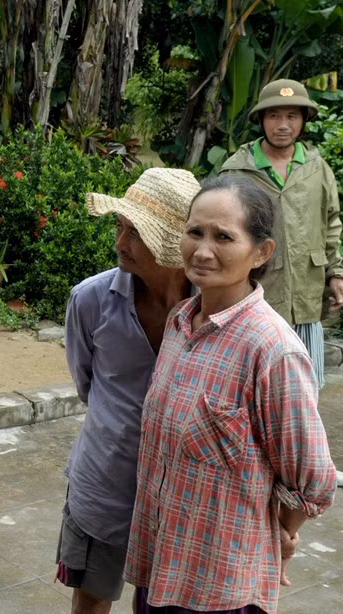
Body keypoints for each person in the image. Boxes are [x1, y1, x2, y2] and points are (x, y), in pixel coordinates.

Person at [124, 176, 337, 614]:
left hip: (221, 588)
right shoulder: (180, 323)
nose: (203, 251)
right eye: (195, 232)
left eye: (223, 237)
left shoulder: (272, 350)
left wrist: (282, 530)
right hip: (161, 568)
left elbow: (314, 480)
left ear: (261, 252)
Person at [56, 168, 198, 614]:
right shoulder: (90, 299)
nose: (120, 243)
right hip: (104, 483)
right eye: (120, 226)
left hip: (183, 494)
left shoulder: (211, 312)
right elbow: (86, 383)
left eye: (136, 233)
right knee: (91, 597)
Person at [220, 78, 343, 388]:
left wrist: (336, 273)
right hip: (255, 294)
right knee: (258, 384)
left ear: (303, 121)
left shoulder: (317, 167)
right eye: (274, 115)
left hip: (305, 294)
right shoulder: (238, 170)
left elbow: (331, 222)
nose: (283, 125)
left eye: (292, 116)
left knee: (307, 384)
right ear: (261, 120)